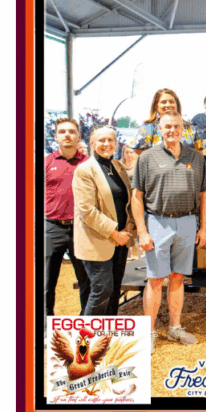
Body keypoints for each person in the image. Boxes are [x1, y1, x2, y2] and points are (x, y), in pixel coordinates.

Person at [131, 111, 206, 350]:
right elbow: (137, 197)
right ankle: (150, 333)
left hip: (187, 222)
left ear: (183, 128)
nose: (172, 130)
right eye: (167, 127)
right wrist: (142, 231)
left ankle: (175, 328)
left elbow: (204, 195)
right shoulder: (146, 157)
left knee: (177, 277)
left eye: (176, 126)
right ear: (160, 129)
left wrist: (203, 227)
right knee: (155, 279)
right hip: (157, 222)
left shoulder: (196, 158)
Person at [71, 126, 134, 316]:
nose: (106, 144)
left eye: (110, 140)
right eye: (101, 140)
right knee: (101, 291)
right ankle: (86, 339)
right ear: (92, 144)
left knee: (114, 290)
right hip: (96, 240)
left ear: (115, 143)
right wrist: (114, 233)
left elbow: (126, 201)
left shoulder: (118, 166)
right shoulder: (84, 170)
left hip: (120, 240)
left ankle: (107, 337)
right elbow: (87, 210)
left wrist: (127, 228)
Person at [44, 118, 91, 316]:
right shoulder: (46, 163)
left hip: (81, 229)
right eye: (62, 131)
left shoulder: (88, 163)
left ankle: (86, 323)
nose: (67, 135)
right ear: (56, 136)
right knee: (46, 282)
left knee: (86, 280)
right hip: (52, 227)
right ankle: (45, 326)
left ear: (78, 136)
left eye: (71, 131)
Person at [130, 88, 203, 154]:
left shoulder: (191, 128)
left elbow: (199, 155)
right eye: (163, 102)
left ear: (177, 105)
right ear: (156, 106)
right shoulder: (148, 128)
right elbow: (137, 154)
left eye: (171, 102)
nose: (168, 105)